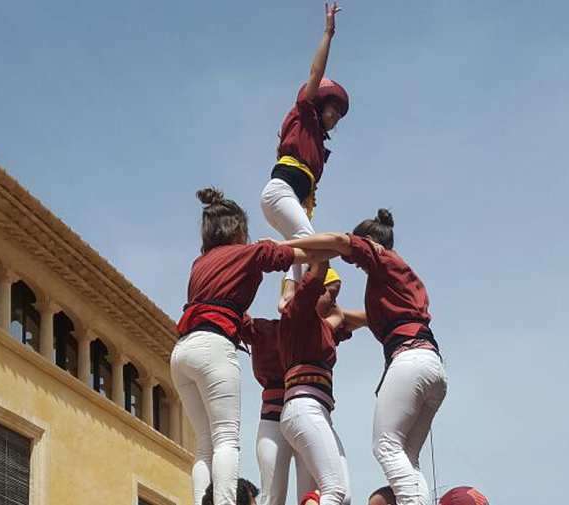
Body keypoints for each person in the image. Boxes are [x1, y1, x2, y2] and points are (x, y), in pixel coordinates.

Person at [173, 187, 335, 505]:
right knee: (226, 440)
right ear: (240, 231)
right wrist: (333, 248)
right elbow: (298, 254)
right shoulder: (248, 253)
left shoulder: (199, 263)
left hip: (182, 350)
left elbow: (224, 307)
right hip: (213, 347)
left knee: (204, 444)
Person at [281, 209, 447, 505]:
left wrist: (287, 249)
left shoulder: (381, 258)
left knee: (385, 446)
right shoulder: (401, 280)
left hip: (408, 359)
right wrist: (336, 314)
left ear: (368, 241)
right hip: (430, 362)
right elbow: (364, 317)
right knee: (407, 457)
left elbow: (336, 241)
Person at [260, 1, 349, 307]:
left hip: (290, 197)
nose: (335, 116)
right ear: (319, 105)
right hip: (278, 192)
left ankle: (289, 299)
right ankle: (269, 258)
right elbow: (316, 70)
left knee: (299, 246)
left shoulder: (317, 149)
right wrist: (328, 32)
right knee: (310, 240)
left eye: (339, 114)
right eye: (332, 110)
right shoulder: (302, 114)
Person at [278, 262, 351, 505]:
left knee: (341, 495)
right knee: (334, 491)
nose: (334, 301)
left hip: (315, 412)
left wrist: (333, 299)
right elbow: (318, 270)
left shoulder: (321, 328)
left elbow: (342, 317)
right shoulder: (297, 314)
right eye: (332, 293)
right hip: (304, 408)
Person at [239, 315, 312, 505]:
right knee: (275, 495)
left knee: (305, 495)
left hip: (297, 413)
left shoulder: (314, 327)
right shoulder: (264, 329)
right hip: (290, 414)